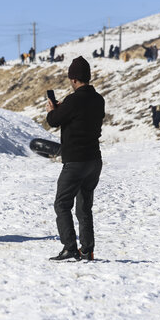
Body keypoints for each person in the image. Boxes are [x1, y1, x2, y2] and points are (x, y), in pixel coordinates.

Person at [45, 56, 105, 261]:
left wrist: (53, 110)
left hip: (75, 162)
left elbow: (54, 121)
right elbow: (81, 117)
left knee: (62, 204)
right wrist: (65, 108)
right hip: (94, 161)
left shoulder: (73, 100)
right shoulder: (98, 99)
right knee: (84, 206)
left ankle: (70, 247)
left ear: (73, 79)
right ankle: (87, 249)